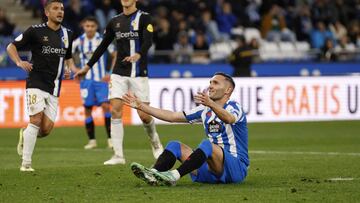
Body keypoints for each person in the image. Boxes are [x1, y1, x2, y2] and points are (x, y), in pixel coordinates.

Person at [75, 0, 163, 165]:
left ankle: (156, 144)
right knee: (115, 110)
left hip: (138, 73)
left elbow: (148, 41)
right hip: (118, 73)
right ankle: (118, 156)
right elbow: (102, 46)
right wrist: (87, 67)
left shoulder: (145, 18)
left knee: (144, 116)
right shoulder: (114, 21)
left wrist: (138, 54)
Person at [122, 72, 249, 186]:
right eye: (210, 82)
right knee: (175, 145)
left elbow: (229, 119)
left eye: (215, 83)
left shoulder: (234, 107)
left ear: (228, 90)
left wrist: (210, 103)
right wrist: (141, 106)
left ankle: (174, 176)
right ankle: (153, 174)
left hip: (235, 169)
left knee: (207, 145)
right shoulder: (204, 110)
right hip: (212, 171)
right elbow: (172, 116)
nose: (210, 85)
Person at [6, 0, 76, 172]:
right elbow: (11, 46)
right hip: (36, 82)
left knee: (45, 130)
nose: (60, 11)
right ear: (47, 12)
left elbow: (67, 56)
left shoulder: (68, 34)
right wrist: (18, 62)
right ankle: (26, 164)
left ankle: (26, 133)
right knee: (35, 120)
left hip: (55, 87)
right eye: (55, 8)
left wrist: (69, 68)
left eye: (61, 9)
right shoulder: (35, 31)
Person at [71, 16, 117, 149]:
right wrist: (75, 69)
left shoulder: (101, 40)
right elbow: (67, 54)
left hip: (101, 80)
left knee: (105, 107)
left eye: (92, 26)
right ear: (83, 27)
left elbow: (115, 54)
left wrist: (109, 73)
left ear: (96, 27)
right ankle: (92, 141)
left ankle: (110, 139)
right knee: (87, 109)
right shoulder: (79, 41)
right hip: (86, 81)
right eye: (87, 26)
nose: (89, 28)